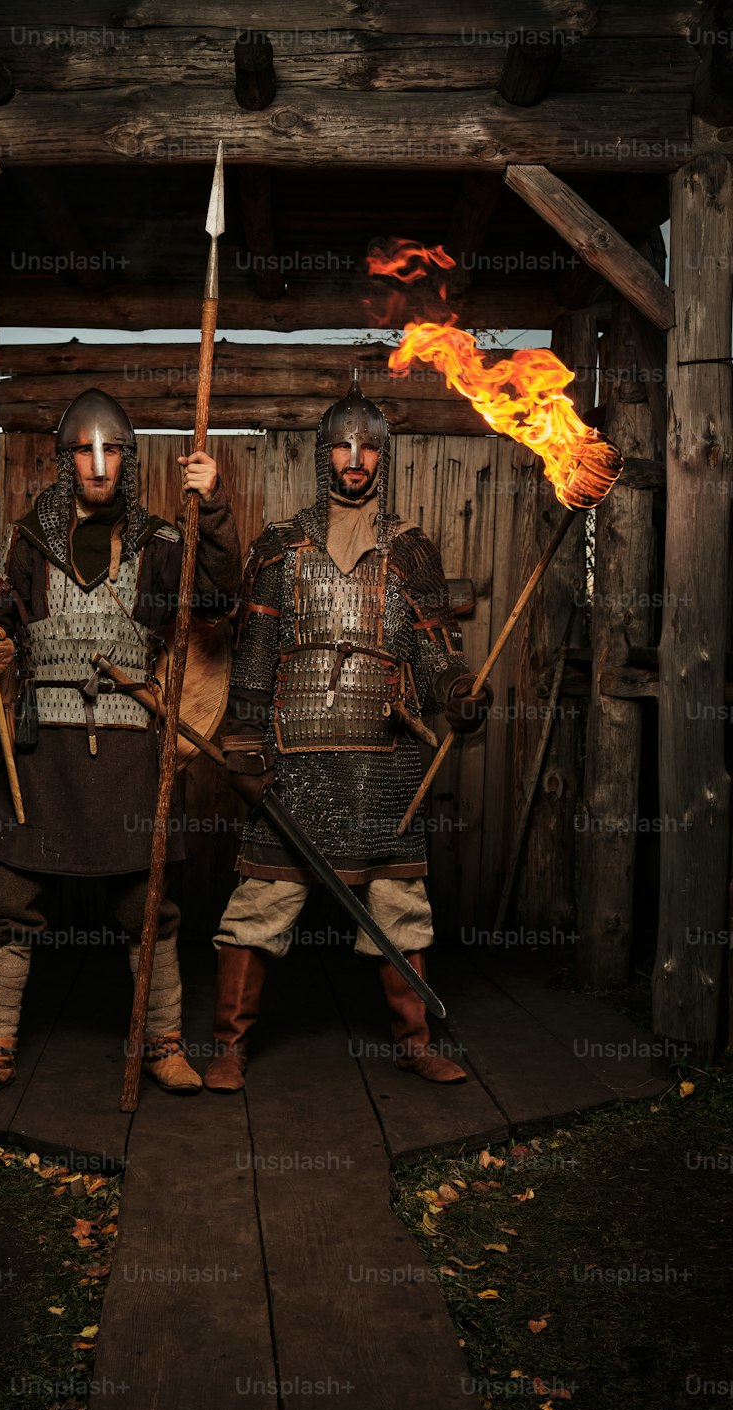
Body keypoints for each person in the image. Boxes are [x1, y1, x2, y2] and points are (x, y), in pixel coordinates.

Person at [0, 388, 241, 1105]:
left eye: (113, 451)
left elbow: (215, 604)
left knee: (148, 906)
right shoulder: (27, 542)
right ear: (65, 460)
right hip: (40, 753)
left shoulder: (166, 543)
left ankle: (163, 1044)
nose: (99, 464)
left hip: (134, 751)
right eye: (86, 450)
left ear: (130, 462)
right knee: (11, 899)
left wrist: (219, 507)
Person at [205, 378, 491, 1093]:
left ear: (382, 458)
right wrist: (242, 739)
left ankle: (414, 1040)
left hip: (382, 758)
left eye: (367, 446)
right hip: (293, 757)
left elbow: (433, 656)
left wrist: (459, 693)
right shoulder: (279, 547)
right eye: (342, 444)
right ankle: (230, 1046)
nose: (355, 457)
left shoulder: (410, 552)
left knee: (399, 906)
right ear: (323, 454)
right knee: (258, 906)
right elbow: (254, 657)